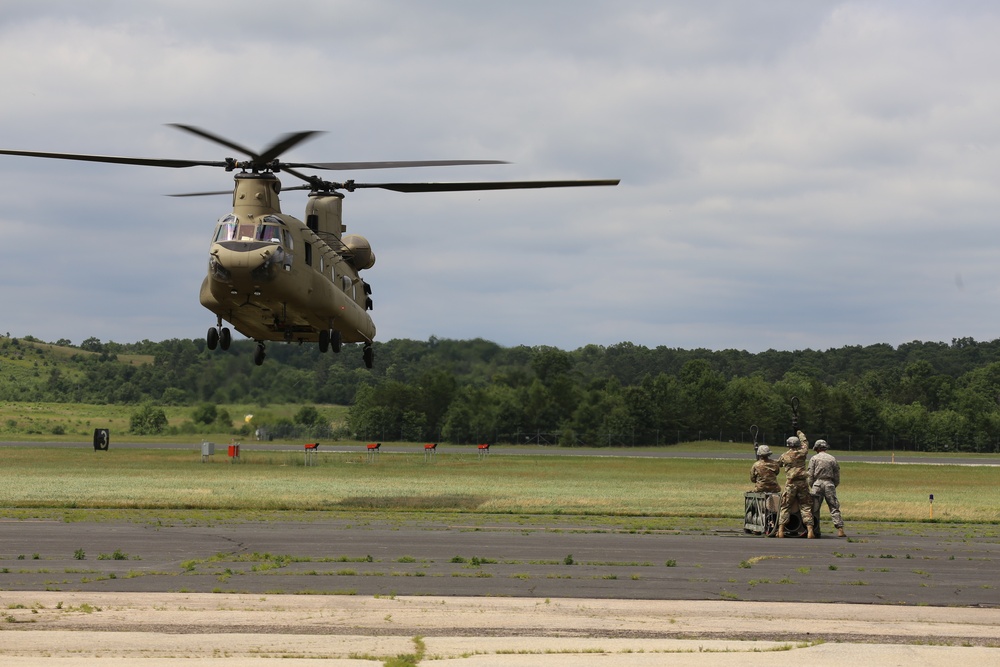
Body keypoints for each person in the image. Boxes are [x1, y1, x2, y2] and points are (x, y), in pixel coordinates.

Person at [777, 432, 814, 538]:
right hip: (802, 483)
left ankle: (780, 530)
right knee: (806, 506)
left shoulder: (784, 456)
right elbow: (805, 442)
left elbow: (778, 465)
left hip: (790, 484)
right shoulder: (803, 452)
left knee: (785, 506)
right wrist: (800, 433)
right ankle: (810, 530)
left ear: (788, 445)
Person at [808, 439, 846, 538]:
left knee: (814, 508)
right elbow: (837, 476)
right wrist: (833, 485)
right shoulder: (832, 458)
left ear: (817, 448)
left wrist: (812, 485)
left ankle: (813, 530)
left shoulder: (814, 458)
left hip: (817, 483)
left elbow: (810, 475)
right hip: (829, 483)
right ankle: (840, 529)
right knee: (834, 506)